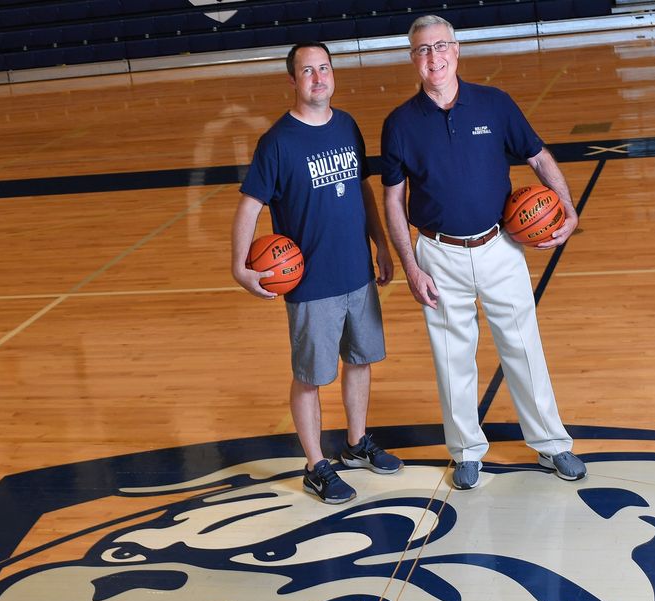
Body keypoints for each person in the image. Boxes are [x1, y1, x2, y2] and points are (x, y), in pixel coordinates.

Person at [380, 15, 586, 490]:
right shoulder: (400, 124)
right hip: (437, 254)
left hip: (500, 246)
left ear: (456, 50)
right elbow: (393, 198)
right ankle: (467, 452)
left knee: (523, 348)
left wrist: (568, 209)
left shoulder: (495, 104)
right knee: (452, 358)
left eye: (440, 47)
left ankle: (553, 444)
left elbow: (538, 156)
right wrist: (410, 266)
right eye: (422, 50)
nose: (433, 57)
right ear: (413, 59)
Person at [232, 41, 401, 504]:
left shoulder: (347, 125)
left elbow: (363, 190)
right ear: (293, 80)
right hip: (310, 284)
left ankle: (356, 444)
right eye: (308, 71)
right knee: (310, 376)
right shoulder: (278, 142)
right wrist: (239, 264)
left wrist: (380, 244)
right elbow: (250, 205)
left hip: (358, 273)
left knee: (361, 360)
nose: (318, 78)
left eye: (324, 68)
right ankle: (315, 465)